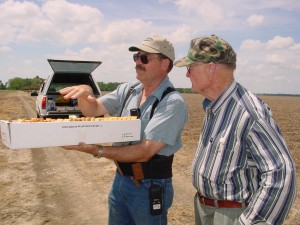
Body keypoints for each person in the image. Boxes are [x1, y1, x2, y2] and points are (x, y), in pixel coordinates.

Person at [59, 35, 188, 225]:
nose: (138, 62)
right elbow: (93, 110)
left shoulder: (172, 103)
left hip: (150, 186)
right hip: (121, 180)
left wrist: (97, 150)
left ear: (164, 63)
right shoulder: (128, 90)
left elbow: (144, 152)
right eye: (136, 57)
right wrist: (85, 94)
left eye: (145, 58)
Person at [174, 34, 296, 225]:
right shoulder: (214, 106)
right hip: (206, 210)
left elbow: (281, 174)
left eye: (190, 68)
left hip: (232, 215)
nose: (187, 74)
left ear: (210, 68)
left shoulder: (248, 112)